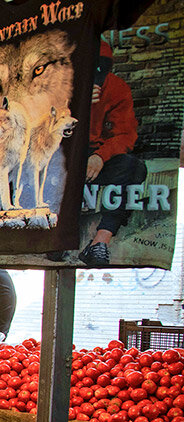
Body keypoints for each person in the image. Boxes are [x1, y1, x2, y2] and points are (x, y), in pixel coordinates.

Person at [78, 41, 148, 266]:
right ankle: (54, 238)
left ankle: (99, 242)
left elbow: (126, 135)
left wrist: (101, 155)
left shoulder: (117, 88)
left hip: (97, 156)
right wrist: (75, 104)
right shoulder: (55, 86)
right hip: (64, 155)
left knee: (134, 167)